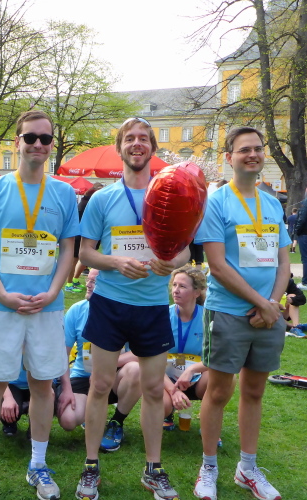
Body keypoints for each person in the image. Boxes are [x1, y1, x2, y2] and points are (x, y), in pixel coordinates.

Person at [75, 117, 189, 500]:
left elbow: (186, 250)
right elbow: (85, 252)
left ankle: (153, 469)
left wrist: (171, 263)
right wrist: (115, 263)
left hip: (153, 306)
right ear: (120, 147)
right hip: (109, 304)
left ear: (152, 147)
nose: (137, 144)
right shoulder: (102, 198)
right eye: (129, 138)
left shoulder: (170, 195)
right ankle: (91, 467)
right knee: (99, 386)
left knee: (154, 389)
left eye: (143, 138)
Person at [0, 109, 79, 500]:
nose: (37, 144)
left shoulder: (64, 193)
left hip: (46, 308)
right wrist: (0, 293)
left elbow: (69, 250)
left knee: (43, 387)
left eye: (45, 139)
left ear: (51, 145)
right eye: (30, 137)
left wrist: (53, 291)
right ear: (17, 142)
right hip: (1, 307)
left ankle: (38, 466)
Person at [192, 126, 290, 500]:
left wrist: (272, 304)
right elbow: (217, 266)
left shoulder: (272, 203)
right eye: (244, 149)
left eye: (258, 148)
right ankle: (208, 467)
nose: (253, 154)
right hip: (229, 313)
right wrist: (263, 304)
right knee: (218, 392)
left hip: (268, 315)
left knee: (254, 391)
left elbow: (284, 262)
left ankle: (247, 469)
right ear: (229, 157)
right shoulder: (216, 202)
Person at [55, 269, 142, 453]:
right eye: (88, 279)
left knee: (136, 370)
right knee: (68, 420)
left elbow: (140, 353)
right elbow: (61, 354)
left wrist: (106, 364)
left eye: (94, 281)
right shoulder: (77, 310)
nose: (87, 284)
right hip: (83, 376)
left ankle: (116, 422)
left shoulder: (126, 310)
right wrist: (66, 388)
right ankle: (91, 415)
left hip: (114, 377)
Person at [162, 266, 219, 429]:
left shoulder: (208, 317)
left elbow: (218, 356)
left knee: (223, 377)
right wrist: (173, 390)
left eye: (182, 286)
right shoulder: (163, 315)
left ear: (197, 292)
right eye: (174, 285)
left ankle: (209, 423)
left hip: (197, 378)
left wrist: (192, 370)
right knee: (160, 404)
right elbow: (151, 361)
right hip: (165, 378)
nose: (176, 290)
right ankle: (167, 412)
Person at [65, 183, 104, 292]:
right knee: (74, 261)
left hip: (84, 236)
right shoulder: (87, 204)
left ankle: (74, 280)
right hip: (79, 236)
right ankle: (69, 284)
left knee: (82, 260)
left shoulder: (87, 202)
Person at [1, 367, 31, 437]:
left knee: (46, 400)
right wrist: (7, 397)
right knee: (11, 409)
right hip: (12, 384)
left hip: (38, 382)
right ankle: (9, 424)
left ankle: (35, 429)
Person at [282, 274, 307, 339]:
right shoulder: (268, 282)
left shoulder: (289, 282)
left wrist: (291, 300)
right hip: (269, 312)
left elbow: (302, 298)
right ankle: (292, 326)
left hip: (281, 313)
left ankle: (296, 326)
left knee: (292, 296)